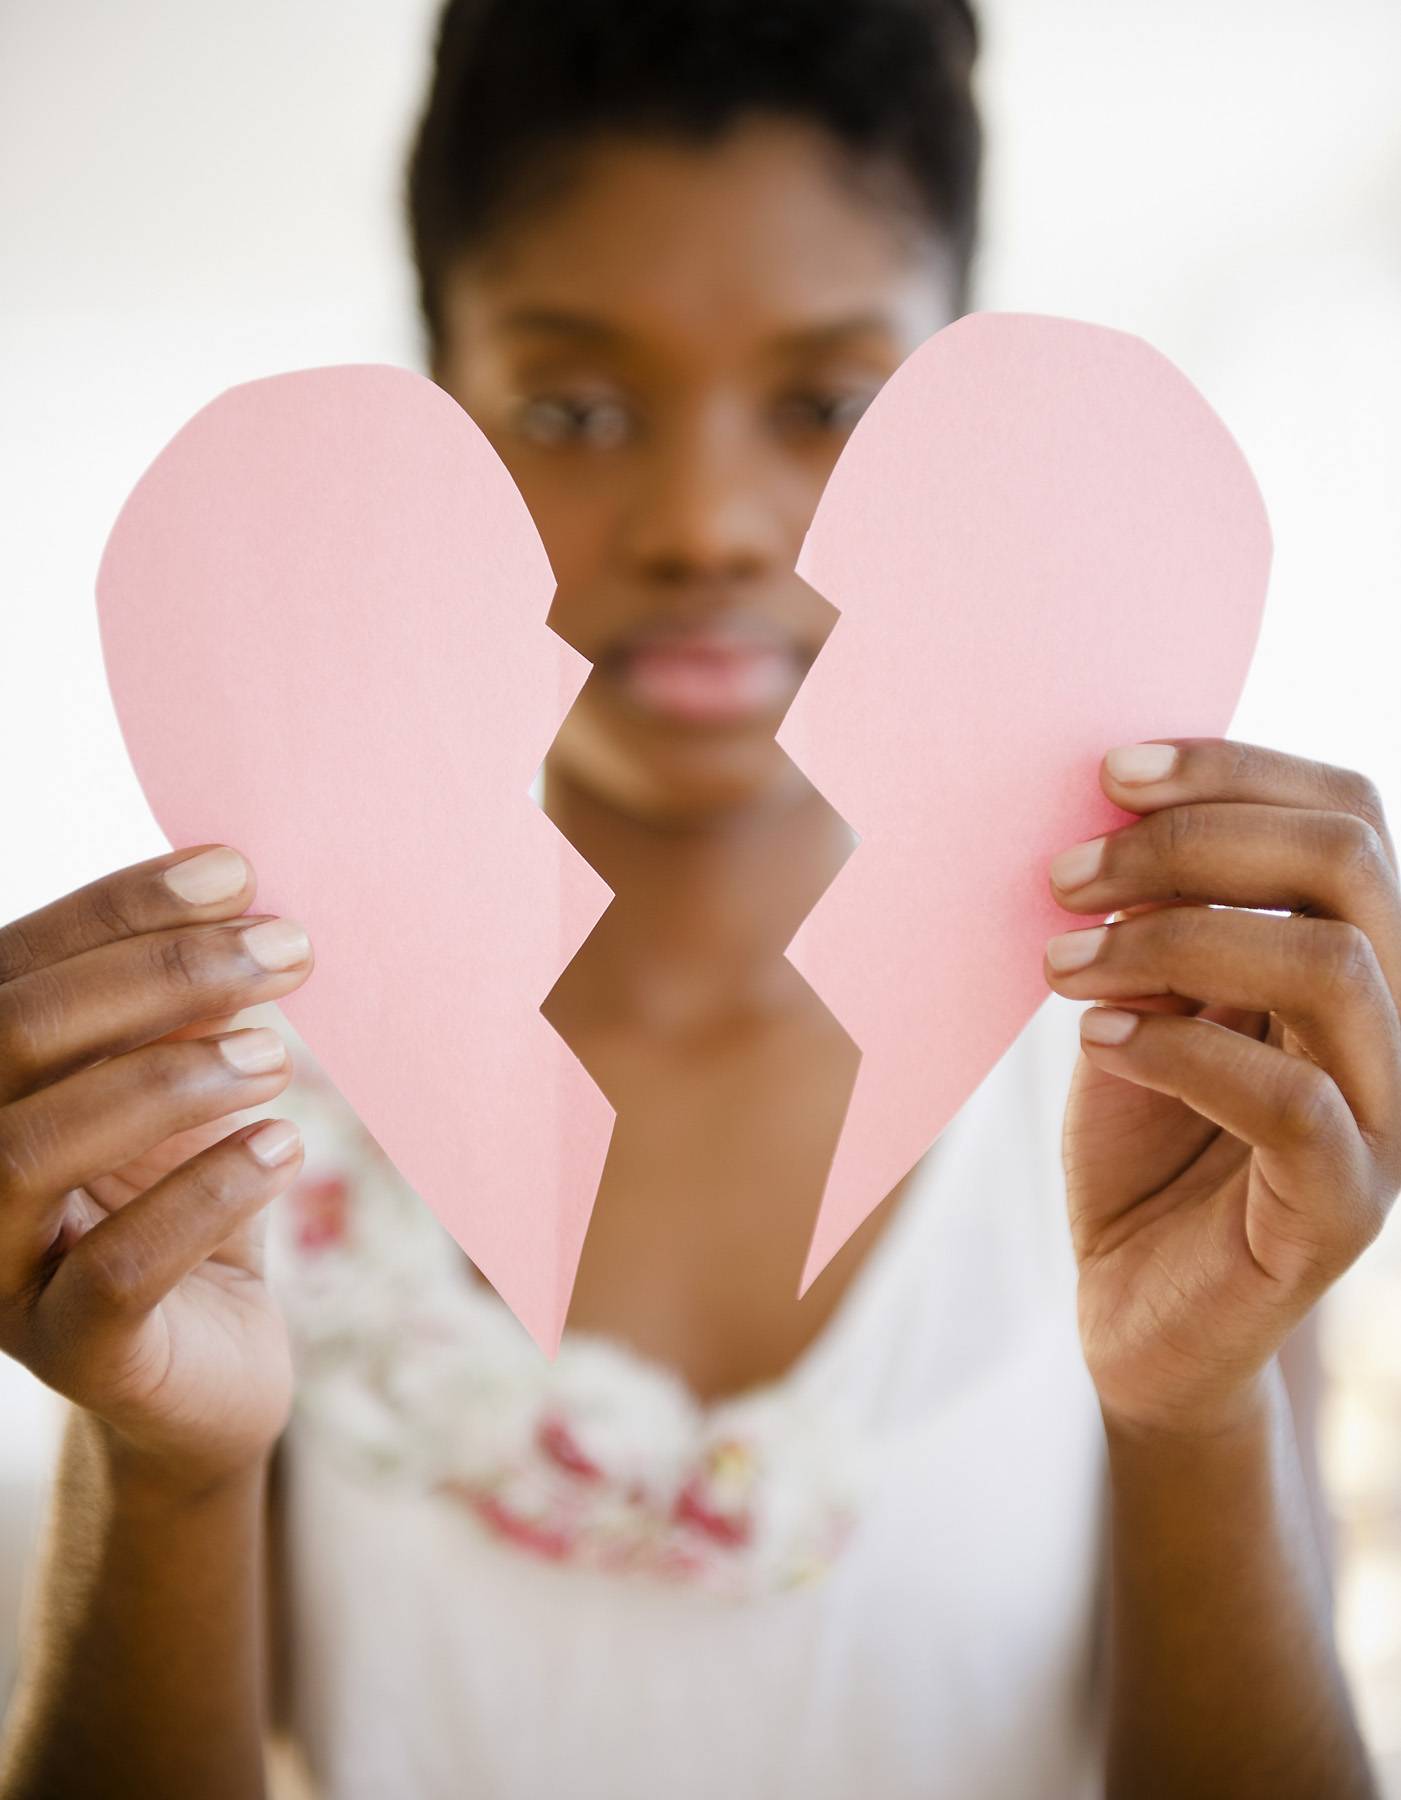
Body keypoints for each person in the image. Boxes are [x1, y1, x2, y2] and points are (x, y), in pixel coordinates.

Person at [0, 1, 1397, 1795]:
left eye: (824, 403)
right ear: (443, 422)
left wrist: (1191, 1408)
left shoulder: (1157, 1065)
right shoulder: (251, 1106)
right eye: (577, 404)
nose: (705, 521)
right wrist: (163, 1459)